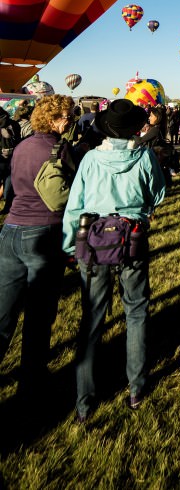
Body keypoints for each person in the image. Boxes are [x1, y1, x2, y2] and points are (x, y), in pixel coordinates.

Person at [63, 99, 166, 422]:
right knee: (135, 313)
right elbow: (158, 193)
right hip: (132, 237)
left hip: (93, 243)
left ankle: (83, 402)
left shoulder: (92, 159)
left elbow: (75, 204)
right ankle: (136, 387)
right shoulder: (145, 156)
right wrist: (142, 210)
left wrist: (68, 245)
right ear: (136, 127)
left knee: (91, 321)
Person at [0, 94, 75, 402]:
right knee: (39, 314)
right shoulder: (59, 149)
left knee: (3, 311)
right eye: (63, 116)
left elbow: (13, 185)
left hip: (10, 230)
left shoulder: (21, 146)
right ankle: (31, 383)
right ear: (50, 118)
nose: (68, 120)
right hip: (43, 232)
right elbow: (69, 196)